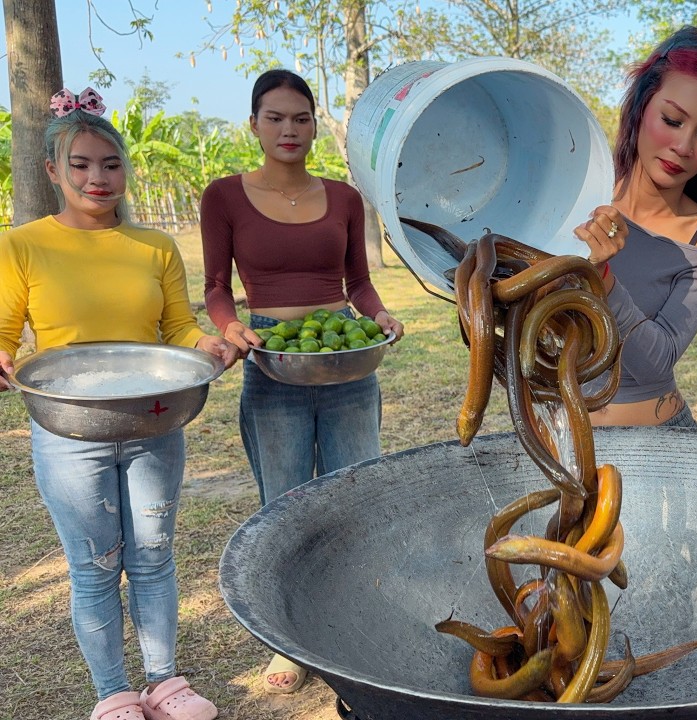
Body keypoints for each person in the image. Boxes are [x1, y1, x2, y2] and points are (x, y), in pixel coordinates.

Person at [0, 88, 236, 720]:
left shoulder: (153, 246)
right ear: (52, 169)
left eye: (110, 164)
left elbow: (178, 330)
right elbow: (3, 335)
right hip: (69, 429)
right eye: (80, 164)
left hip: (155, 420)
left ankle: (164, 681)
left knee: (154, 555)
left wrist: (208, 342)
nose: (97, 178)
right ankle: (113, 693)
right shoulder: (22, 244)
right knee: (96, 564)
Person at [199, 69, 404, 694]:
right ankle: (288, 641)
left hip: (344, 360)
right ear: (254, 124)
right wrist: (233, 328)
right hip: (273, 360)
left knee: (356, 499)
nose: (290, 129)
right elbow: (214, 288)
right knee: (283, 505)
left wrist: (379, 315)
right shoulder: (224, 196)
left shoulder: (343, 197)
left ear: (316, 124)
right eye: (276, 117)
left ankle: (355, 620)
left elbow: (359, 284)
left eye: (301, 117)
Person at [580, 25, 697, 428]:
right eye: (672, 120)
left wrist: (601, 277)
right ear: (642, 105)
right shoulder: (573, 195)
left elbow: (655, 362)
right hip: (559, 441)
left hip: (660, 446)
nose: (684, 147)